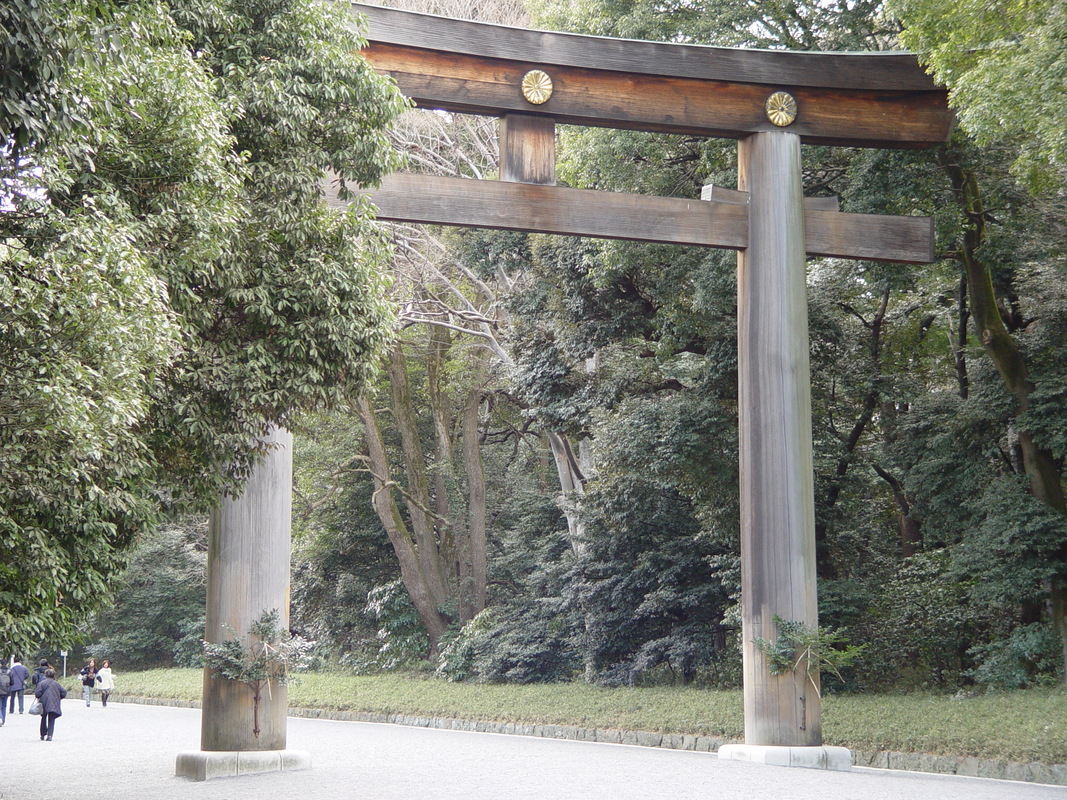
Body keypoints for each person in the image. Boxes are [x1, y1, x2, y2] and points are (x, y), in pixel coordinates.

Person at [33, 668, 65, 741]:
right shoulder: (56, 684)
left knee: (43, 718)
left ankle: (42, 734)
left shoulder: (42, 683)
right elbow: (64, 693)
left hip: (43, 703)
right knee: (51, 719)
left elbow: (37, 694)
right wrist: (58, 698)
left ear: (45, 675)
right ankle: (50, 735)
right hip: (53, 702)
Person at [0, 662, 9, 726]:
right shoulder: (9, 672)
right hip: (6, 691)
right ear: (7, 664)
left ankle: (0, 717)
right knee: (4, 706)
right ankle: (3, 720)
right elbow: (12, 682)